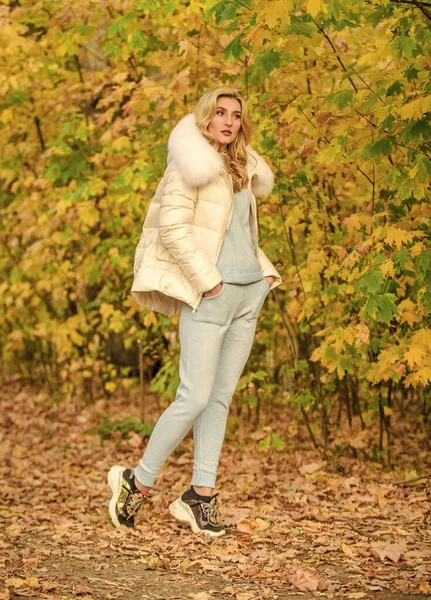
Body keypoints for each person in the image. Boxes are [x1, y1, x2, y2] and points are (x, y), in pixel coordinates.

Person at [108, 86, 282, 537]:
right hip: (211, 294)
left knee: (220, 399)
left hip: (247, 295)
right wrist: (209, 280)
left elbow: (242, 234)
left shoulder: (241, 166)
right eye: (220, 112)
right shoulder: (190, 166)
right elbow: (171, 227)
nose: (228, 120)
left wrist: (262, 277)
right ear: (204, 117)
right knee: (195, 396)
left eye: (236, 115)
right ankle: (138, 481)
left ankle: (199, 497)